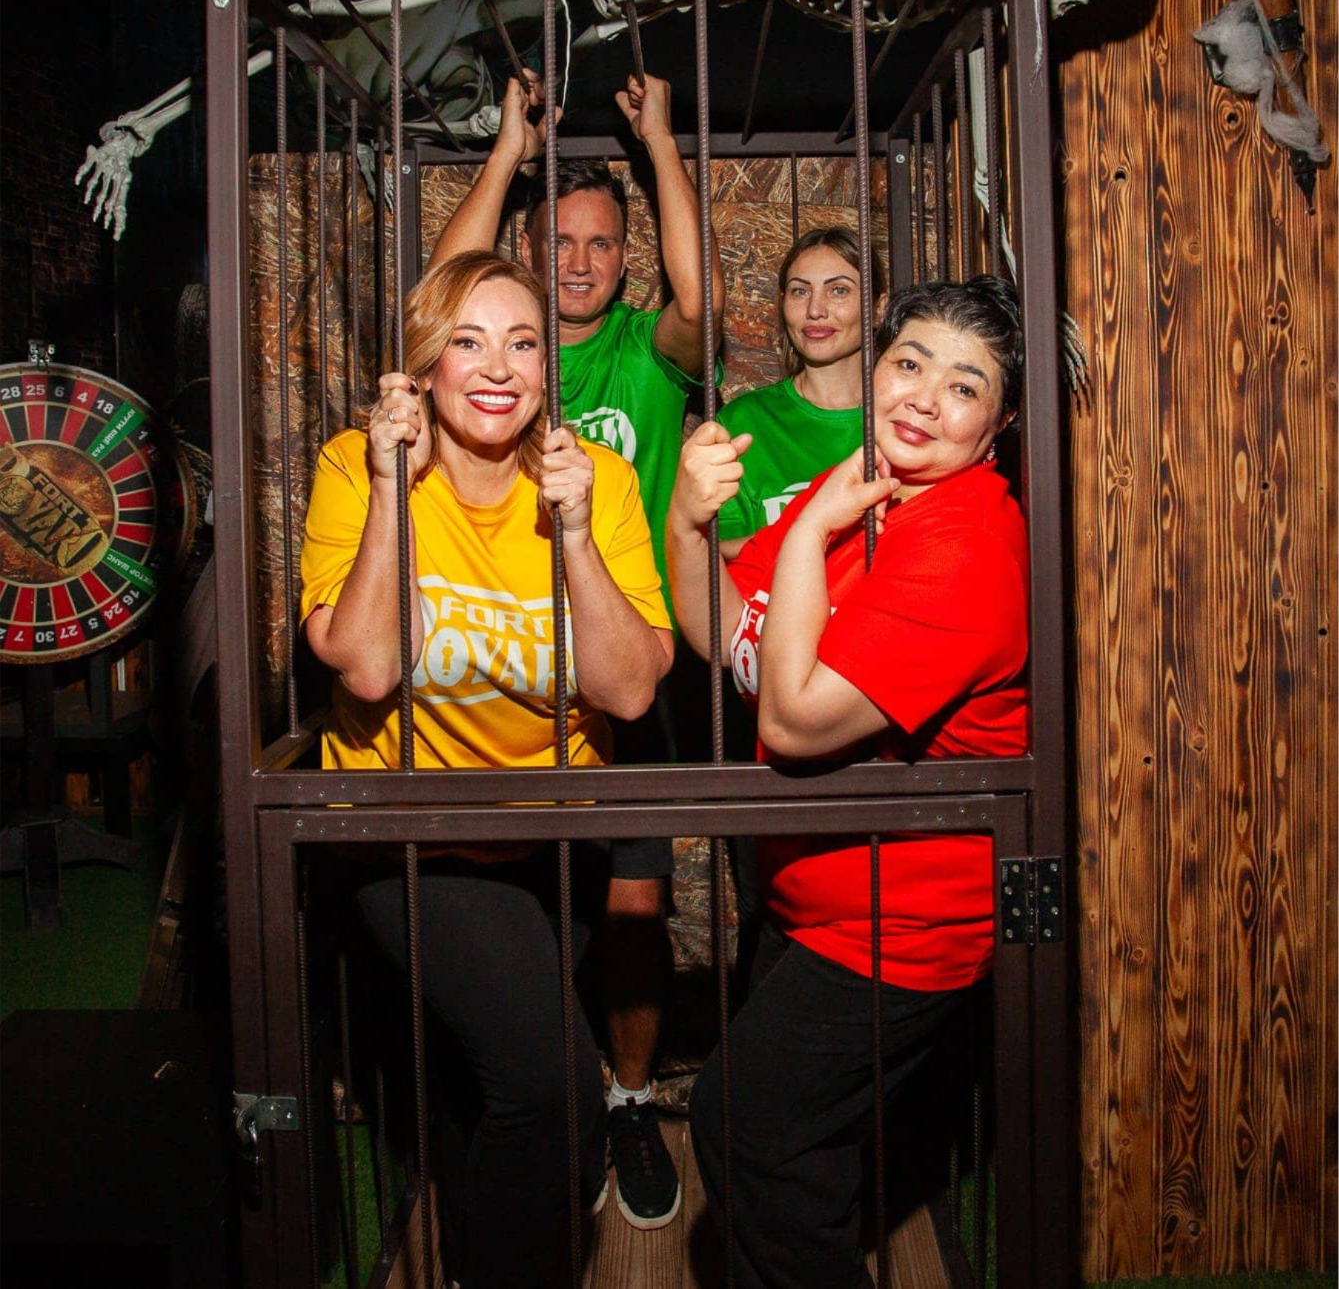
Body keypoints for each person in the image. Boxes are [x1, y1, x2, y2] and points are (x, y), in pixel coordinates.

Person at [299, 250, 673, 1288]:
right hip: (414, 842)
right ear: (423, 365)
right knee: (553, 1090)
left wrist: (575, 534)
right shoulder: (357, 466)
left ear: (550, 368)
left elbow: (628, 692)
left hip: (557, 839)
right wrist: (390, 487)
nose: (498, 367)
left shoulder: (595, 482)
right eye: (466, 342)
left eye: (522, 343)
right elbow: (367, 667)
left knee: (493, 1091)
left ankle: (473, 1253)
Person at [667, 276, 1029, 1289]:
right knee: (791, 1169)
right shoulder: (867, 492)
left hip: (899, 927)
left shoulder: (961, 544)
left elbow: (788, 720)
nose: (924, 398)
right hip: (812, 899)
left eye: (964, 385)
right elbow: (722, 632)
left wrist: (810, 523)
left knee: (744, 1129)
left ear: (997, 425)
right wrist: (689, 522)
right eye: (909, 362)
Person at [428, 67, 722, 1229]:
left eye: (603, 242)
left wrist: (660, 143)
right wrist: (507, 150)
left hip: (622, 664)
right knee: (517, 902)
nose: (582, 260)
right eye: (559, 240)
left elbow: (700, 300)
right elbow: (440, 297)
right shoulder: (493, 357)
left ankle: (628, 1102)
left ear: (624, 257)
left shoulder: (648, 352)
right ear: (529, 252)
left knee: (633, 902)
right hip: (494, 668)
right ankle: (535, 1096)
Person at [716, 226, 887, 559]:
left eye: (839, 290)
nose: (815, 310)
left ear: (879, 309)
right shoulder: (745, 422)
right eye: (799, 291)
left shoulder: (906, 421)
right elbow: (713, 553)